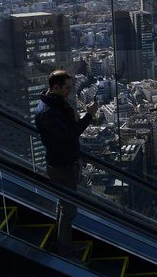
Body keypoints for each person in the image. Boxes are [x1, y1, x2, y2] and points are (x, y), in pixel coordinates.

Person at [35, 70, 98, 257]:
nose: (69, 91)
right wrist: (89, 115)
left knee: (64, 206)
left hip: (63, 163)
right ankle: (64, 249)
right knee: (69, 209)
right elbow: (69, 135)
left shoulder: (52, 104)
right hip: (62, 166)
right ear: (55, 87)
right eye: (67, 88)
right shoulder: (48, 112)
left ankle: (62, 242)